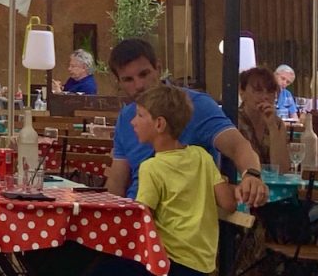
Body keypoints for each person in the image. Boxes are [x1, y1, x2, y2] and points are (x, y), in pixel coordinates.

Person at [76, 85, 237, 276]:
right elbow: (228, 203)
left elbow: (140, 219)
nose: (132, 121)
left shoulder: (152, 167)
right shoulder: (201, 156)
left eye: (139, 115)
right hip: (201, 270)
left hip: (170, 265)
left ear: (159, 124)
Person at [106, 38, 268, 208]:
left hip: (183, 220)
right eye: (128, 79)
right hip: (137, 218)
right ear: (119, 82)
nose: (139, 85)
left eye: (144, 74)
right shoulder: (127, 118)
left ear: (158, 69)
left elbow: (238, 146)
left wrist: (251, 174)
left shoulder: (195, 105)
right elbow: (118, 181)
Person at [238, 66, 290, 172]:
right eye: (258, 91)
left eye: (270, 92)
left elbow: (282, 169)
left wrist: (272, 127)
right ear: (242, 93)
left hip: (272, 185)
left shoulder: (278, 124)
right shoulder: (232, 121)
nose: (265, 97)